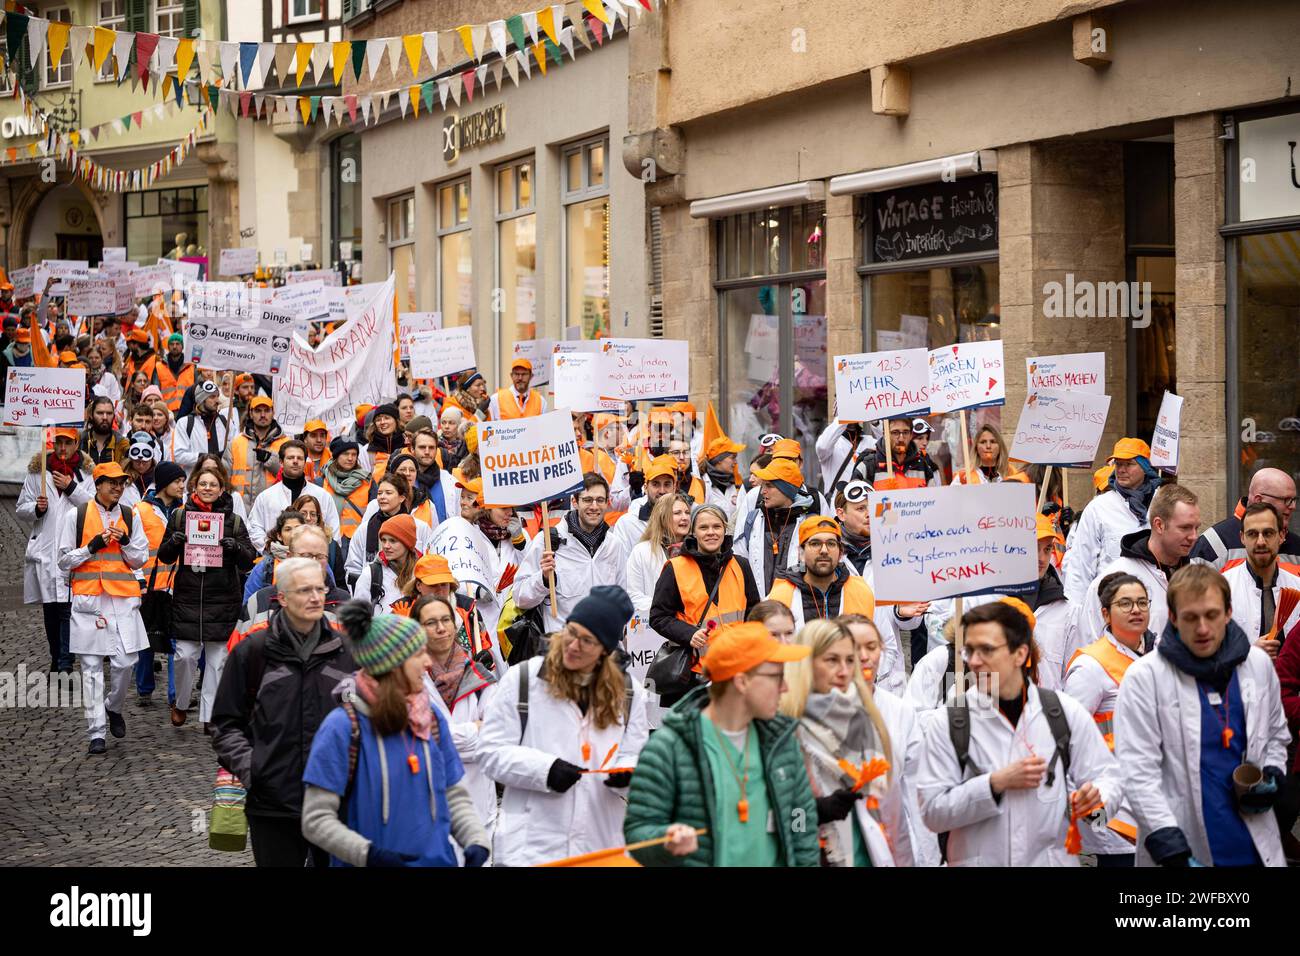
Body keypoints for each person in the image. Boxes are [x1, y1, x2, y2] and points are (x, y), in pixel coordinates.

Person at [917, 600, 1122, 866]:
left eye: (987, 650)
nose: (975, 662)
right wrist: (993, 784)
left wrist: (1097, 802)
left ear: (1020, 654)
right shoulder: (950, 720)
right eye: (969, 651)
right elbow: (932, 813)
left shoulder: (1062, 713)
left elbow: (1108, 779)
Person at [1116, 564, 1291, 866]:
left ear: (1228, 612)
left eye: (1211, 615)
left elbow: (1276, 733)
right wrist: (1169, 846)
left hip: (1253, 847)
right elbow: (1137, 771)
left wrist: (1273, 773)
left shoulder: (1258, 666)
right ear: (1172, 617)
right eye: (1190, 617)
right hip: (1183, 845)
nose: (1202, 629)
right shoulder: (1145, 678)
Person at [300, 601, 489, 867]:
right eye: (418, 654)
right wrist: (368, 855)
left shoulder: (431, 719)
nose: (427, 662)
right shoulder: (343, 726)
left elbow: (454, 794)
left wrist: (475, 839)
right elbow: (316, 819)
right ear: (392, 664)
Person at [623, 621, 819, 865]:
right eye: (775, 677)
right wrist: (666, 840)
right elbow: (639, 831)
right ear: (741, 681)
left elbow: (800, 824)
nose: (785, 687)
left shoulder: (781, 742)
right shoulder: (668, 748)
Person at [478, 586, 647, 866]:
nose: (573, 645)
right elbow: (489, 753)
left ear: (605, 651)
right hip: (531, 849)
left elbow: (635, 755)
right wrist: (545, 770)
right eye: (571, 632)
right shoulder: (523, 680)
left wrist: (628, 775)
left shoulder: (629, 693)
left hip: (599, 846)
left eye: (587, 641)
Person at [213, 557, 358, 867]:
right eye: (305, 590)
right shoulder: (252, 651)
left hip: (335, 801)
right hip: (273, 805)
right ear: (282, 597)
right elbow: (225, 725)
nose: (316, 597)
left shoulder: (348, 652)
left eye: (319, 589)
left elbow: (368, 719)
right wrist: (254, 769)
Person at [780, 619, 911, 866]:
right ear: (806, 663)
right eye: (832, 660)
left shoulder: (864, 721)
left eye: (849, 660)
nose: (844, 671)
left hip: (870, 854)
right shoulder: (784, 728)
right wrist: (814, 811)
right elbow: (772, 817)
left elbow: (892, 811)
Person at [56, 462, 151, 754]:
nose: (118, 487)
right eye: (112, 482)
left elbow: (140, 558)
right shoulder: (77, 515)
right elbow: (62, 561)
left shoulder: (129, 514)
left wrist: (124, 543)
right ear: (98, 485)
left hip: (121, 600)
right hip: (89, 600)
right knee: (91, 668)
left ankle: (113, 706)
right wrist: (91, 547)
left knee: (126, 662)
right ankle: (96, 732)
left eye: (121, 482)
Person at [764, 515, 915, 696]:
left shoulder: (863, 592)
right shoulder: (779, 597)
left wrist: (862, 680)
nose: (824, 550)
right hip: (798, 699)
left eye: (831, 544)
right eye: (814, 543)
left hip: (854, 698)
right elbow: (767, 653)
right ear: (801, 552)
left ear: (841, 552)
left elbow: (888, 646)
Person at [1062, 572, 1155, 867]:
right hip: (1111, 799)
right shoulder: (1091, 666)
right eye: (1125, 603)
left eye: (1142, 602)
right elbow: (1068, 736)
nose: (1136, 610)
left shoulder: (1158, 657)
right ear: (1105, 613)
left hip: (1150, 793)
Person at [156, 464, 257, 731]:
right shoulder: (179, 516)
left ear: (222, 489)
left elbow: (249, 560)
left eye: (213, 485)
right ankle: (180, 702)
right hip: (188, 597)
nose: (208, 489)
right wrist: (175, 542)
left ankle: (209, 716)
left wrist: (235, 548)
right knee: (185, 656)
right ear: (194, 487)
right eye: (203, 484)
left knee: (216, 662)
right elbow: (164, 556)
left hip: (222, 599)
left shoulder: (233, 521)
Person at [841, 613, 938, 866]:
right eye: (853, 647)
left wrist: (928, 858)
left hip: (893, 842)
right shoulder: (819, 712)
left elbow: (917, 790)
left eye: (871, 647)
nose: (864, 656)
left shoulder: (900, 711)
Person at [1071, 484, 1200, 658]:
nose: (1193, 536)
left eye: (1196, 528)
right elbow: (1089, 648)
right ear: (1159, 525)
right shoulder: (1113, 580)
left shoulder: (1199, 578)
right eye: (1185, 528)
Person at [649, 504, 762, 703]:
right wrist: (688, 634)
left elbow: (755, 614)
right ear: (693, 532)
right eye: (703, 528)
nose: (711, 532)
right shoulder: (675, 568)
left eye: (716, 527)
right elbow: (658, 617)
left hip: (735, 670)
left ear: (725, 529)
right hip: (693, 675)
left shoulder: (741, 565)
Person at [413, 592, 499, 837]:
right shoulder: (406, 680)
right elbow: (414, 741)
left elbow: (495, 738)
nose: (441, 628)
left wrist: (440, 738)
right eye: (431, 623)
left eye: (446, 620)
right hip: (427, 811)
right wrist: (474, 730)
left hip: (478, 808)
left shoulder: (480, 677)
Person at [17, 427, 92, 674]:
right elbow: (21, 508)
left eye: (67, 443)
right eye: (58, 443)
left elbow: (93, 508)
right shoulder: (38, 473)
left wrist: (71, 488)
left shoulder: (85, 473)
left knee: (67, 609)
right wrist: (36, 508)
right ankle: (55, 656)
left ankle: (65, 663)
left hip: (72, 553)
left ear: (76, 444)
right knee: (51, 610)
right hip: (46, 551)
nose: (62, 448)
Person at [515, 474, 626, 633]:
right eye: (587, 500)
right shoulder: (547, 541)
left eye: (600, 500)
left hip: (603, 648)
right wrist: (544, 580)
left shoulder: (614, 545)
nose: (594, 506)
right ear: (574, 502)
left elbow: (622, 599)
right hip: (563, 649)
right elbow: (520, 597)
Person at [1061, 437, 1161, 605]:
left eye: (1128, 464)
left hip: (1154, 606)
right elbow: (1080, 567)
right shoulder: (1098, 507)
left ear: (1145, 467)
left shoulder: (1162, 504)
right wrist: (1075, 615)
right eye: (1118, 464)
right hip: (1109, 607)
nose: (1121, 469)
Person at [132, 460, 186, 704]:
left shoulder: (184, 511)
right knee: (146, 640)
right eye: (177, 481)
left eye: (183, 481)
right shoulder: (140, 511)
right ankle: (144, 688)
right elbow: (132, 549)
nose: (182, 486)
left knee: (176, 640)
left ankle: (174, 695)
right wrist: (139, 581)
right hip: (148, 586)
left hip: (175, 584)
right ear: (164, 483)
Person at [235, 524, 352, 632]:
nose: (314, 562)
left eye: (320, 556)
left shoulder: (344, 603)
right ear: (289, 557)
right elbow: (239, 650)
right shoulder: (259, 601)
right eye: (307, 555)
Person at [1222, 502, 1300, 657]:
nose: (1260, 542)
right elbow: (1209, 652)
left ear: (1282, 536)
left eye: (1268, 533)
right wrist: (1249, 652)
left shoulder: (1297, 586)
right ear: (1242, 537)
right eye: (1252, 534)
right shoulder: (1222, 589)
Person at [735, 457, 820, 594]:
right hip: (757, 609)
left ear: (787, 489)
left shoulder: (811, 524)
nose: (762, 491)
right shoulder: (750, 521)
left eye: (769, 486)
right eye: (763, 485)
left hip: (796, 609)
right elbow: (738, 568)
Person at [1190, 467, 1300, 571]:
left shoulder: (1296, 545)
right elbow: (1192, 589)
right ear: (1259, 500)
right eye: (1286, 500)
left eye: (1294, 500)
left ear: (1280, 537)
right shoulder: (1213, 543)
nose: (1293, 506)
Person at [247, 440, 342, 552]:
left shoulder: (322, 496)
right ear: (281, 462)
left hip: (313, 560)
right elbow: (254, 527)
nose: (295, 461)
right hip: (275, 561)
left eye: (300, 458)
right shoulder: (266, 497)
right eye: (290, 458)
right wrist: (270, 549)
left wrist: (321, 553)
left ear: (305, 462)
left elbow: (333, 530)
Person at [626, 493, 693, 642]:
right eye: (677, 513)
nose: (685, 517)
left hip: (692, 632)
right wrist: (669, 611)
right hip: (655, 635)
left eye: (687, 512)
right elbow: (633, 595)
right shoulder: (642, 551)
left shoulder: (698, 551)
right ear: (662, 517)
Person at [345, 473, 434, 584]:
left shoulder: (420, 528)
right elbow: (353, 566)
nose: (382, 497)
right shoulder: (365, 529)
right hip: (375, 594)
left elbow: (429, 560)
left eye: (388, 493)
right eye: (379, 493)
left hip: (411, 589)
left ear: (402, 497)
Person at [1022, 514, 1072, 690]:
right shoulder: (994, 601)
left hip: (1049, 711)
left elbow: (1073, 671)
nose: (1042, 558)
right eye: (1034, 548)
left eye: (1047, 549)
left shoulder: (1066, 610)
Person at [610, 454, 680, 561]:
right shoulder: (628, 524)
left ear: (674, 488)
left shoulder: (683, 521)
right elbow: (620, 565)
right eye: (656, 484)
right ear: (646, 488)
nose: (662, 491)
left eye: (667, 484)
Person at [353, 513, 421, 614]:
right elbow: (357, 616)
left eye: (392, 541)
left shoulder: (421, 572)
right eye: (383, 540)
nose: (386, 546)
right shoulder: (371, 574)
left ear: (407, 543)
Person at [228, 395, 286, 509]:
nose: (263, 415)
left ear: (273, 413)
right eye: (258, 411)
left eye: (267, 411)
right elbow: (224, 479)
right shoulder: (235, 443)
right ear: (251, 413)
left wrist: (271, 461)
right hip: (239, 509)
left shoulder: (285, 443)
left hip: (272, 508)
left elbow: (291, 476)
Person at [848, 417, 941, 487]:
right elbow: (854, 507)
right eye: (895, 432)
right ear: (885, 434)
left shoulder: (923, 466)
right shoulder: (868, 466)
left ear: (911, 435)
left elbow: (933, 506)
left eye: (905, 432)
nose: (901, 438)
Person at [173, 380, 239, 471]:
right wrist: (204, 458)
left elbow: (236, 451)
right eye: (212, 397)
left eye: (217, 396)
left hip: (220, 480)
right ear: (201, 400)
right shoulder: (185, 423)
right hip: (196, 480)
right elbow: (179, 455)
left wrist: (226, 455)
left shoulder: (227, 422)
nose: (217, 401)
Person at [319, 436, 370, 550]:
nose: (350, 458)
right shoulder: (321, 481)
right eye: (346, 454)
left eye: (354, 454)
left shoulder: (367, 481)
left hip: (359, 541)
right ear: (336, 456)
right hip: (329, 540)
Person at [408, 429, 459, 527]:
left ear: (437, 450)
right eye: (422, 447)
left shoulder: (451, 481)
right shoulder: (404, 480)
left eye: (431, 448)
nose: (427, 452)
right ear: (412, 450)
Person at [954, 425, 1031, 485]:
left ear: (1000, 447)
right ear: (976, 447)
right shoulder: (963, 477)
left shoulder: (1013, 473)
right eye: (983, 442)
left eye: (993, 442)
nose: (988, 446)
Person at [82, 396, 129, 466]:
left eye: (109, 413)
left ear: (114, 416)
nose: (105, 417)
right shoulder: (80, 441)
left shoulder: (123, 444)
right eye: (100, 413)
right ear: (91, 415)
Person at [155, 332, 194, 413]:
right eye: (172, 344)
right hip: (166, 411)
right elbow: (156, 391)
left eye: (177, 344)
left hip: (187, 410)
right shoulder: (159, 366)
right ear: (168, 346)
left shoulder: (191, 366)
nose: (174, 346)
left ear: (182, 346)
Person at [362, 402, 403, 474]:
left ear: (396, 421)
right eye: (378, 420)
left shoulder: (407, 444)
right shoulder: (367, 451)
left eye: (387, 418)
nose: (382, 422)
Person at [437, 407, 468, 471]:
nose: (446, 426)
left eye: (451, 423)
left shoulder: (465, 447)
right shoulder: (435, 444)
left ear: (459, 425)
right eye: (443, 422)